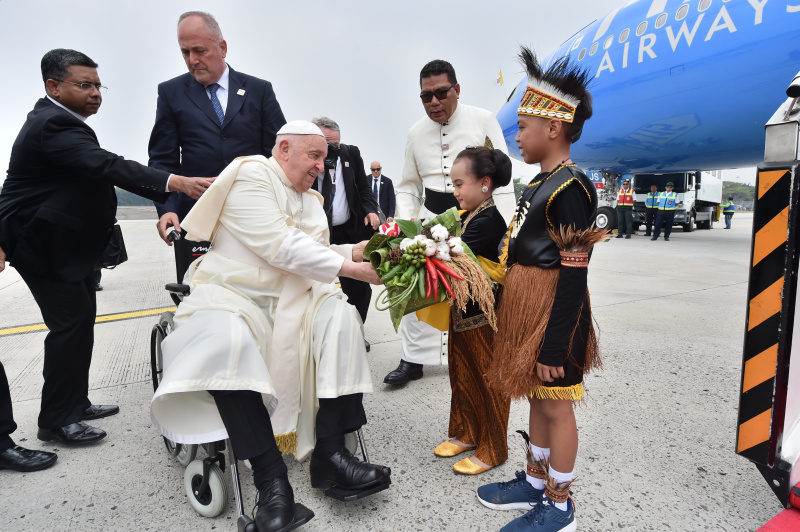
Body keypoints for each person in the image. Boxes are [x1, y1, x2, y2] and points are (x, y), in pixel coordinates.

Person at [150, 121, 391, 532]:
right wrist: (351, 268)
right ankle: (271, 480)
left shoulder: (311, 200)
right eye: (313, 155)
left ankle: (330, 456)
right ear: (283, 148)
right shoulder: (250, 175)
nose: (321, 165)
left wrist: (357, 249)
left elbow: (315, 250)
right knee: (229, 341)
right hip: (234, 293)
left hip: (294, 295)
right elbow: (279, 246)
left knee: (341, 316)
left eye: (324, 157)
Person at [0, 49, 211, 448]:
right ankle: (57, 421)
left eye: (98, 85)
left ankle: (73, 404)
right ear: (53, 86)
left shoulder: (63, 122)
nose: (95, 93)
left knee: (78, 327)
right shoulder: (52, 125)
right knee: (69, 328)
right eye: (84, 85)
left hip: (65, 248)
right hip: (41, 247)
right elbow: (108, 166)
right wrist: (177, 183)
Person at [478, 47, 603, 532]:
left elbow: (574, 272)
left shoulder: (571, 186)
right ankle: (533, 482)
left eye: (524, 128)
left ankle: (559, 503)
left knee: (556, 402)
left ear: (554, 128)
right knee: (535, 395)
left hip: (556, 314)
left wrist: (554, 342)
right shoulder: (540, 183)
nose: (517, 138)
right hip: (529, 308)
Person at [385, 59, 516, 385]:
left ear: (456, 89)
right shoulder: (416, 132)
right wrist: (406, 228)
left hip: (477, 219)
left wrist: (507, 226)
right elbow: (407, 185)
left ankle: (483, 353)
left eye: (441, 93)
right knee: (416, 284)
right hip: (431, 219)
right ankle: (412, 359)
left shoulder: (483, 119)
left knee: (478, 291)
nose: (434, 102)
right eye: (426, 96)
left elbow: (503, 176)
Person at [149, 11, 286, 244]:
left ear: (222, 48)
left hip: (256, 214)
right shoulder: (171, 93)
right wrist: (167, 208)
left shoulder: (259, 90)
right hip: (196, 218)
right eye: (185, 52)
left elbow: (280, 154)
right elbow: (163, 159)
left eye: (200, 51)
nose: (192, 60)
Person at [434, 145, 511, 476]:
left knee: (487, 380)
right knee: (461, 374)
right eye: (453, 184)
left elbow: (448, 253)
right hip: (461, 315)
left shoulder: (489, 220)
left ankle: (493, 447)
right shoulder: (467, 217)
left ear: (484, 184)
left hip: (484, 319)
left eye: (459, 183)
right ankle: (467, 433)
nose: (455, 191)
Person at [311, 117, 380, 336]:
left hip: (349, 231)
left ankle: (355, 332)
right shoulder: (308, 161)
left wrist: (371, 209)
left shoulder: (351, 154)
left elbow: (363, 187)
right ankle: (319, 335)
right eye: (326, 144)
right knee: (316, 286)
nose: (332, 149)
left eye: (335, 144)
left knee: (358, 287)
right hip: (318, 233)